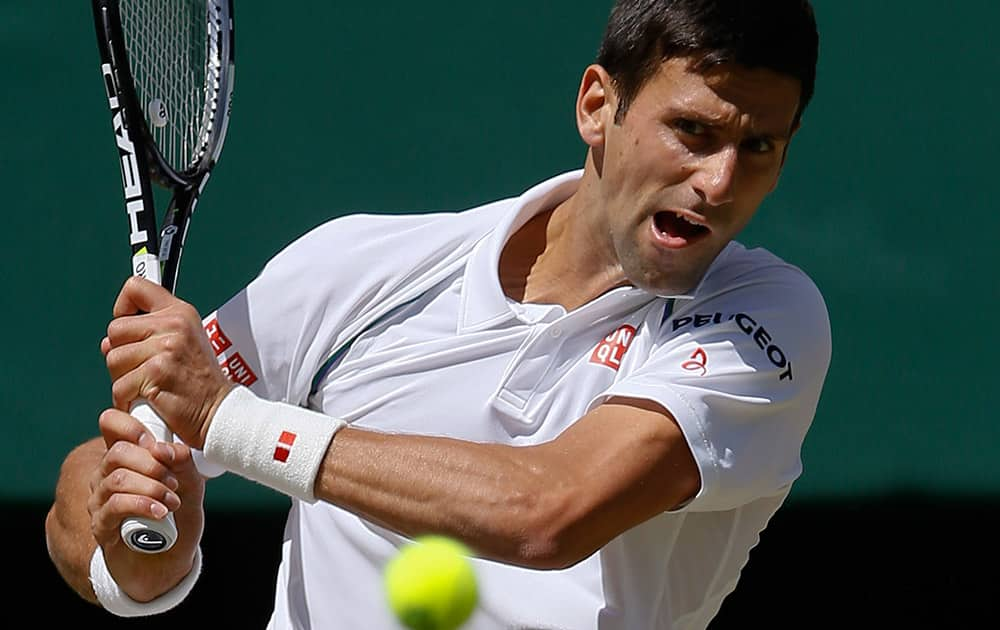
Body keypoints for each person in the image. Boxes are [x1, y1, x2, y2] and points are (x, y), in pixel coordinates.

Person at [45, 1, 830, 628]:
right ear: (598, 106)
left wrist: (229, 419)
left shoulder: (763, 321)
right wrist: (139, 564)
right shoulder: (351, 271)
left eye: (758, 147)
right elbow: (101, 478)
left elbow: (547, 511)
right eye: (692, 131)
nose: (720, 182)